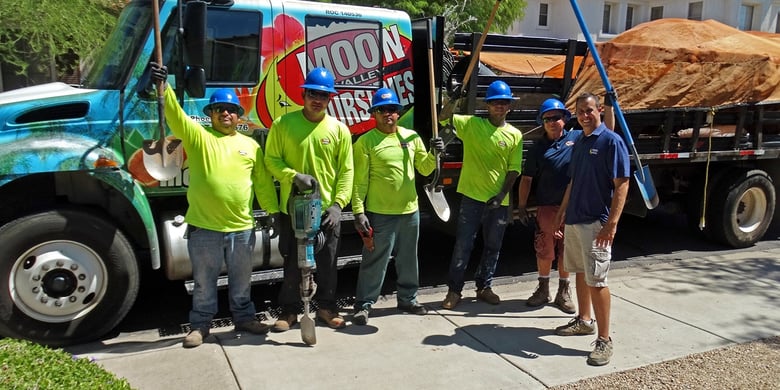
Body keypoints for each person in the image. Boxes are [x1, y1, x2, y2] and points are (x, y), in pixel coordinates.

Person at [149, 63, 280, 348]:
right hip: (205, 228)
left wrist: (271, 211)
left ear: (238, 115)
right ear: (210, 114)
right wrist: (164, 87)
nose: (225, 113)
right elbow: (177, 117)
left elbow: (262, 183)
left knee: (242, 282)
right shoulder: (200, 139)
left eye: (231, 109)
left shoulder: (251, 146)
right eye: (219, 109)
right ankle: (200, 326)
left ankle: (244, 318)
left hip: (241, 228)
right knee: (204, 284)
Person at [264, 67, 354, 331]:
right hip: (293, 210)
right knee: (293, 263)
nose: (318, 99)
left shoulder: (339, 130)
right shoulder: (283, 125)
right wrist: (292, 176)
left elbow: (347, 171)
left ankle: (326, 308)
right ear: (303, 94)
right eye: (313, 93)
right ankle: (289, 312)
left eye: (324, 96)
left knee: (327, 264)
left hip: (325, 211)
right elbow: (270, 159)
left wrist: (339, 204)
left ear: (330, 100)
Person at [350, 88, 444, 325]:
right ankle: (363, 305)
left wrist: (435, 153)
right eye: (381, 110)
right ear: (374, 113)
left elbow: (424, 169)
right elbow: (359, 181)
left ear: (399, 113)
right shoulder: (365, 142)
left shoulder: (411, 137)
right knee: (375, 261)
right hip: (381, 213)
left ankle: (408, 299)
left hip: (409, 212)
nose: (387, 114)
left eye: (392, 109)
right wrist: (358, 211)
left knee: (408, 259)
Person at [552, 92, 630, 367]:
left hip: (597, 222)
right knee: (582, 273)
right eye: (580, 112)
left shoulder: (611, 141)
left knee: (597, 281)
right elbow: (573, 182)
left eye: (589, 110)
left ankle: (605, 340)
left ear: (599, 110)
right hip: (574, 219)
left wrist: (611, 225)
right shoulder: (581, 142)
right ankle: (584, 321)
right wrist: (562, 213)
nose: (585, 116)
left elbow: (622, 183)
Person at [440, 80, 523, 310]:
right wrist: (453, 100)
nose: (499, 106)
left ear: (509, 107)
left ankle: (484, 287)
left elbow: (514, 170)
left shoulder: (515, 135)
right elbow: (443, 118)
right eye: (495, 102)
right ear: (487, 105)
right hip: (472, 198)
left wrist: (501, 195)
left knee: (493, 247)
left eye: (504, 103)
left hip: (499, 201)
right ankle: (454, 291)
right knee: (463, 245)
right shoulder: (471, 124)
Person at [516, 98, 578, 314]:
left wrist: (607, 106)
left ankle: (563, 291)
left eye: (556, 117)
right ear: (542, 122)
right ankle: (543, 289)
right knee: (545, 249)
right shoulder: (537, 149)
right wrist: (521, 206)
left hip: (572, 207)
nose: (552, 122)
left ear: (565, 119)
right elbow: (526, 180)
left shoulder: (578, 139)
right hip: (547, 208)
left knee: (566, 252)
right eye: (547, 119)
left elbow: (607, 131)